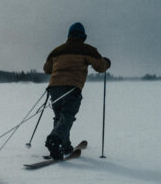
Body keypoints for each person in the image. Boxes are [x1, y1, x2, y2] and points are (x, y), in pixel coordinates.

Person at [42, 22, 111, 160]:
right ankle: (55, 139)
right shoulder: (87, 50)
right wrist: (107, 62)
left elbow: (47, 69)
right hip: (72, 88)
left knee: (60, 117)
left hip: (54, 88)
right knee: (67, 116)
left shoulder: (57, 51)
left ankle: (64, 145)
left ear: (69, 35)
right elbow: (100, 66)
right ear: (83, 36)